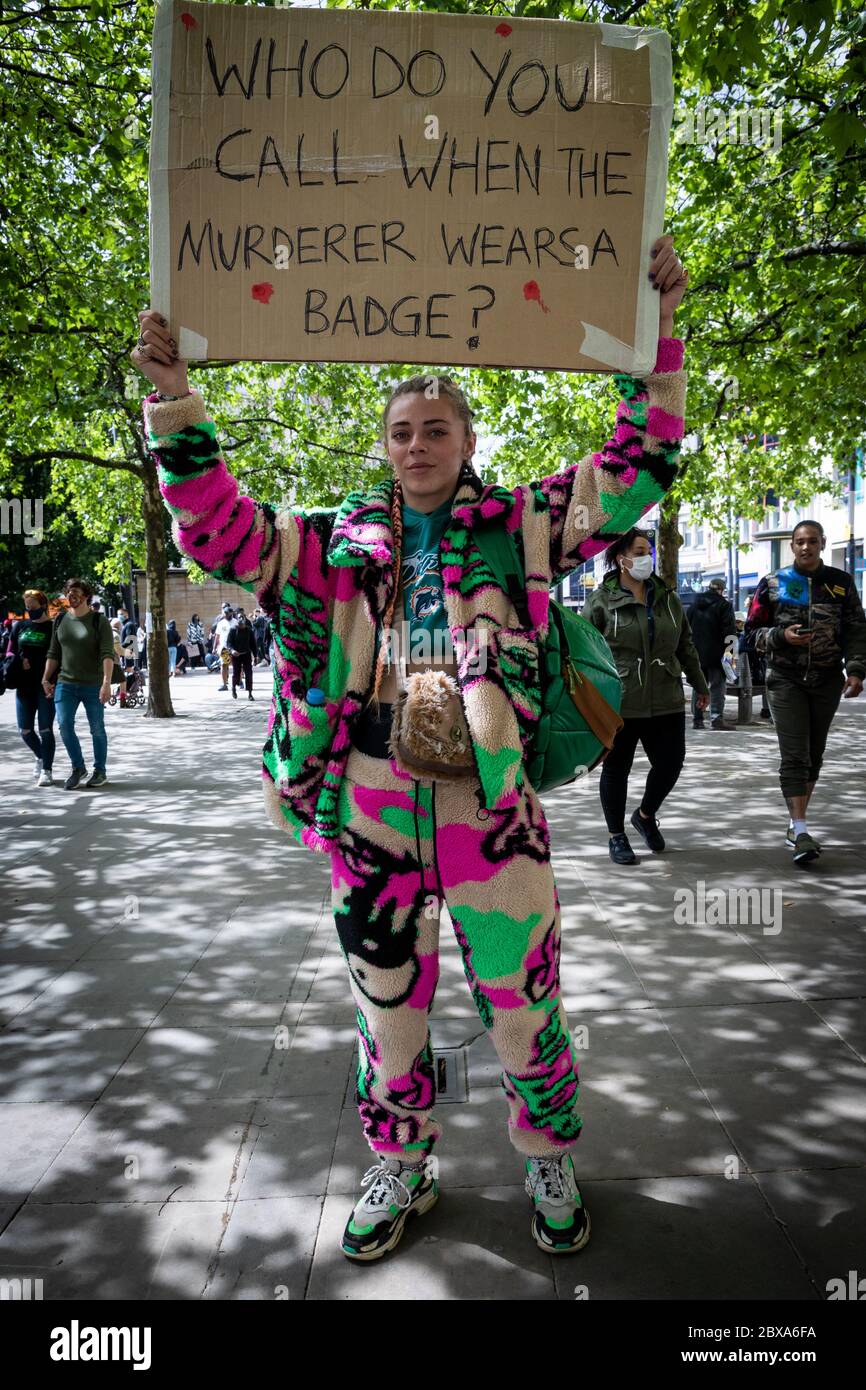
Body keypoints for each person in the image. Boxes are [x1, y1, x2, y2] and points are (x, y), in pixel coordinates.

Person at [133, 232, 689, 1261]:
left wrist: (653, 338)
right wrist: (173, 402)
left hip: (492, 819)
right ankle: (402, 1165)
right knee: (386, 1012)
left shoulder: (523, 523)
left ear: (463, 439)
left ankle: (546, 1154)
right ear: (383, 444)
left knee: (524, 1004)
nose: (417, 442)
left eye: (436, 426)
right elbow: (214, 532)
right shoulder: (324, 549)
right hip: (369, 818)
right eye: (401, 429)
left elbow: (636, 466)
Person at [583, 530, 710, 864]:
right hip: (620, 700)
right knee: (616, 770)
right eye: (640, 551)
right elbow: (584, 652)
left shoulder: (666, 597)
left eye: (649, 551)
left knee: (670, 763)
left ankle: (644, 815)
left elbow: (685, 643)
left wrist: (700, 684)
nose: (647, 558)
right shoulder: (601, 600)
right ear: (622, 558)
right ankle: (616, 836)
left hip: (666, 695)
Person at [745, 520, 866, 864]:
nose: (805, 547)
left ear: (823, 544)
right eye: (799, 542)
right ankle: (800, 829)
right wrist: (782, 637)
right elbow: (751, 634)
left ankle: (795, 823)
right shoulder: (774, 583)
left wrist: (856, 670)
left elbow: (857, 629)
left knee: (814, 754)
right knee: (795, 754)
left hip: (827, 679)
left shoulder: (841, 583)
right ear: (792, 546)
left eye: (812, 541)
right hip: (786, 679)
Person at [43, 577, 115, 789]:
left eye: (75, 593)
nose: (71, 596)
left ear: (85, 596)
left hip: (93, 684)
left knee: (97, 729)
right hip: (66, 683)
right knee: (64, 726)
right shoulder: (60, 619)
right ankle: (78, 768)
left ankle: (100, 771)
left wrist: (106, 683)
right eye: (68, 593)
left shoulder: (98, 621)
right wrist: (46, 677)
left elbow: (107, 654)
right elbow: (54, 652)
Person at [4, 588, 57, 786]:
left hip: (46, 685)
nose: (30, 611)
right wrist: (18, 660)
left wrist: (53, 679)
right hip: (23, 686)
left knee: (45, 729)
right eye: (27, 607)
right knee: (24, 730)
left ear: (43, 606)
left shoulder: (53, 627)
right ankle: (40, 756)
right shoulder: (20, 626)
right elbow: (9, 652)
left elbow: (58, 655)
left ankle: (47, 770)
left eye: (33, 607)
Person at [687, 577, 736, 730]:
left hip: (696, 653)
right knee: (717, 687)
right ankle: (716, 719)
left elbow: (686, 630)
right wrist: (730, 655)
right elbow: (729, 632)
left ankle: (697, 719)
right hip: (717, 654)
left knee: (698, 686)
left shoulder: (693, 606)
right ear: (721, 590)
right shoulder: (724, 605)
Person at [227, 608, 255, 700]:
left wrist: (256, 655)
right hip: (236, 655)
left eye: (243, 625)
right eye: (240, 625)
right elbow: (229, 643)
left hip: (246, 654)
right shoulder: (233, 630)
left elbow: (253, 644)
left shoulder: (249, 630)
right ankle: (234, 688)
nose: (242, 626)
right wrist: (232, 651)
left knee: (249, 673)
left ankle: (250, 693)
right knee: (236, 673)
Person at [212, 607, 234, 690]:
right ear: (224, 614)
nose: (229, 615)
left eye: (230, 613)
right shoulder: (221, 623)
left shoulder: (235, 622)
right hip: (224, 648)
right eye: (227, 613)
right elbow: (217, 636)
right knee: (224, 665)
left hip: (234, 648)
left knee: (237, 665)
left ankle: (239, 681)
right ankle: (224, 684)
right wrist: (214, 648)